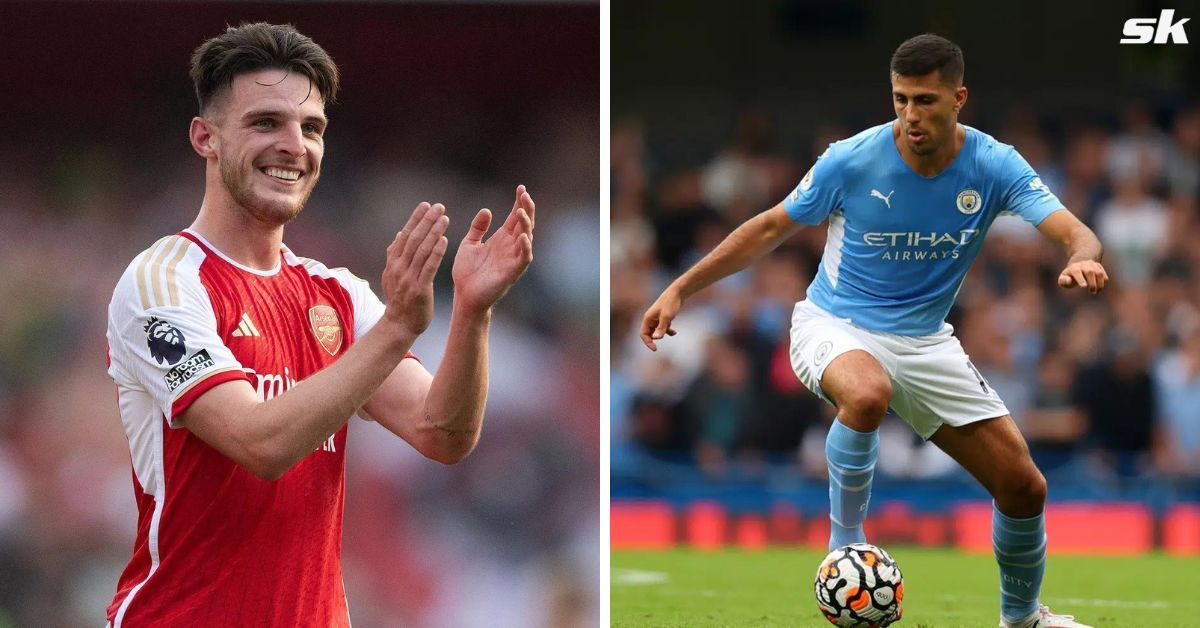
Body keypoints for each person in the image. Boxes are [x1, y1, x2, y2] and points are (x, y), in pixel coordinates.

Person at [640, 34, 1104, 628]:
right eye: (901, 99)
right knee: (865, 392)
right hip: (835, 324)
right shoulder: (851, 159)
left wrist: (1080, 258)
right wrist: (680, 287)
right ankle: (845, 551)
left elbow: (1074, 230)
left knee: (1024, 487)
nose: (911, 115)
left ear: (959, 98)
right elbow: (767, 228)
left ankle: (1022, 620)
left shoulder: (993, 164)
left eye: (927, 101)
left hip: (926, 341)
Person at [104, 23, 534, 626]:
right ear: (206, 138)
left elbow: (442, 433)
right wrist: (395, 331)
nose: (293, 145)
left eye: (311, 128)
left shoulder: (336, 294)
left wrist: (472, 313)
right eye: (264, 123)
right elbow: (261, 443)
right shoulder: (163, 284)